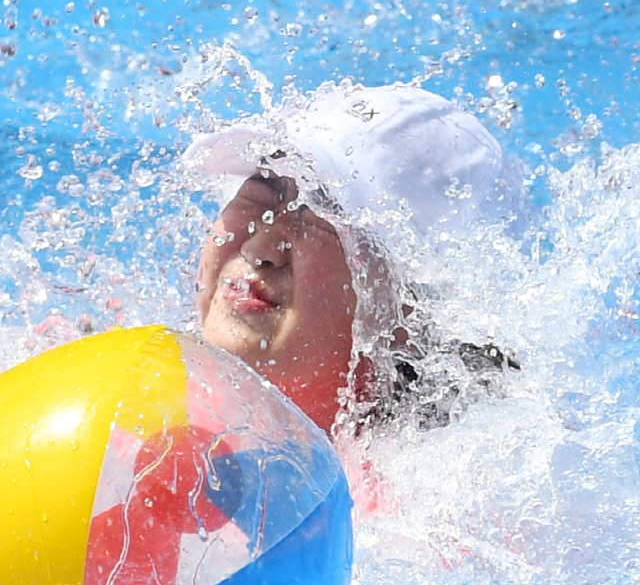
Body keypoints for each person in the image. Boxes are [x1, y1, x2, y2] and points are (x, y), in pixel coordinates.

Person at [183, 81, 525, 439]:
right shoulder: (137, 387)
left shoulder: (446, 487)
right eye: (259, 194)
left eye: (320, 215)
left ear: (413, 314)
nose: (258, 249)